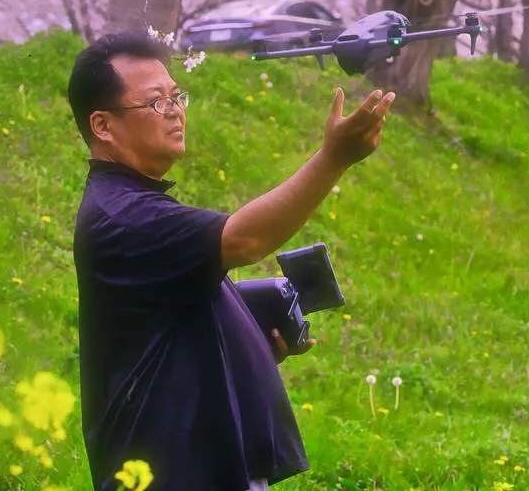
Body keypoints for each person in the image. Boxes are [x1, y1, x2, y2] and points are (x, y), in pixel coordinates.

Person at [65, 31, 396, 491]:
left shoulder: (133, 207)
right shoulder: (123, 217)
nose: (175, 110)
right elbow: (245, 240)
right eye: (156, 102)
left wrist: (247, 345)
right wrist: (333, 158)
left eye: (177, 96)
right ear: (103, 126)